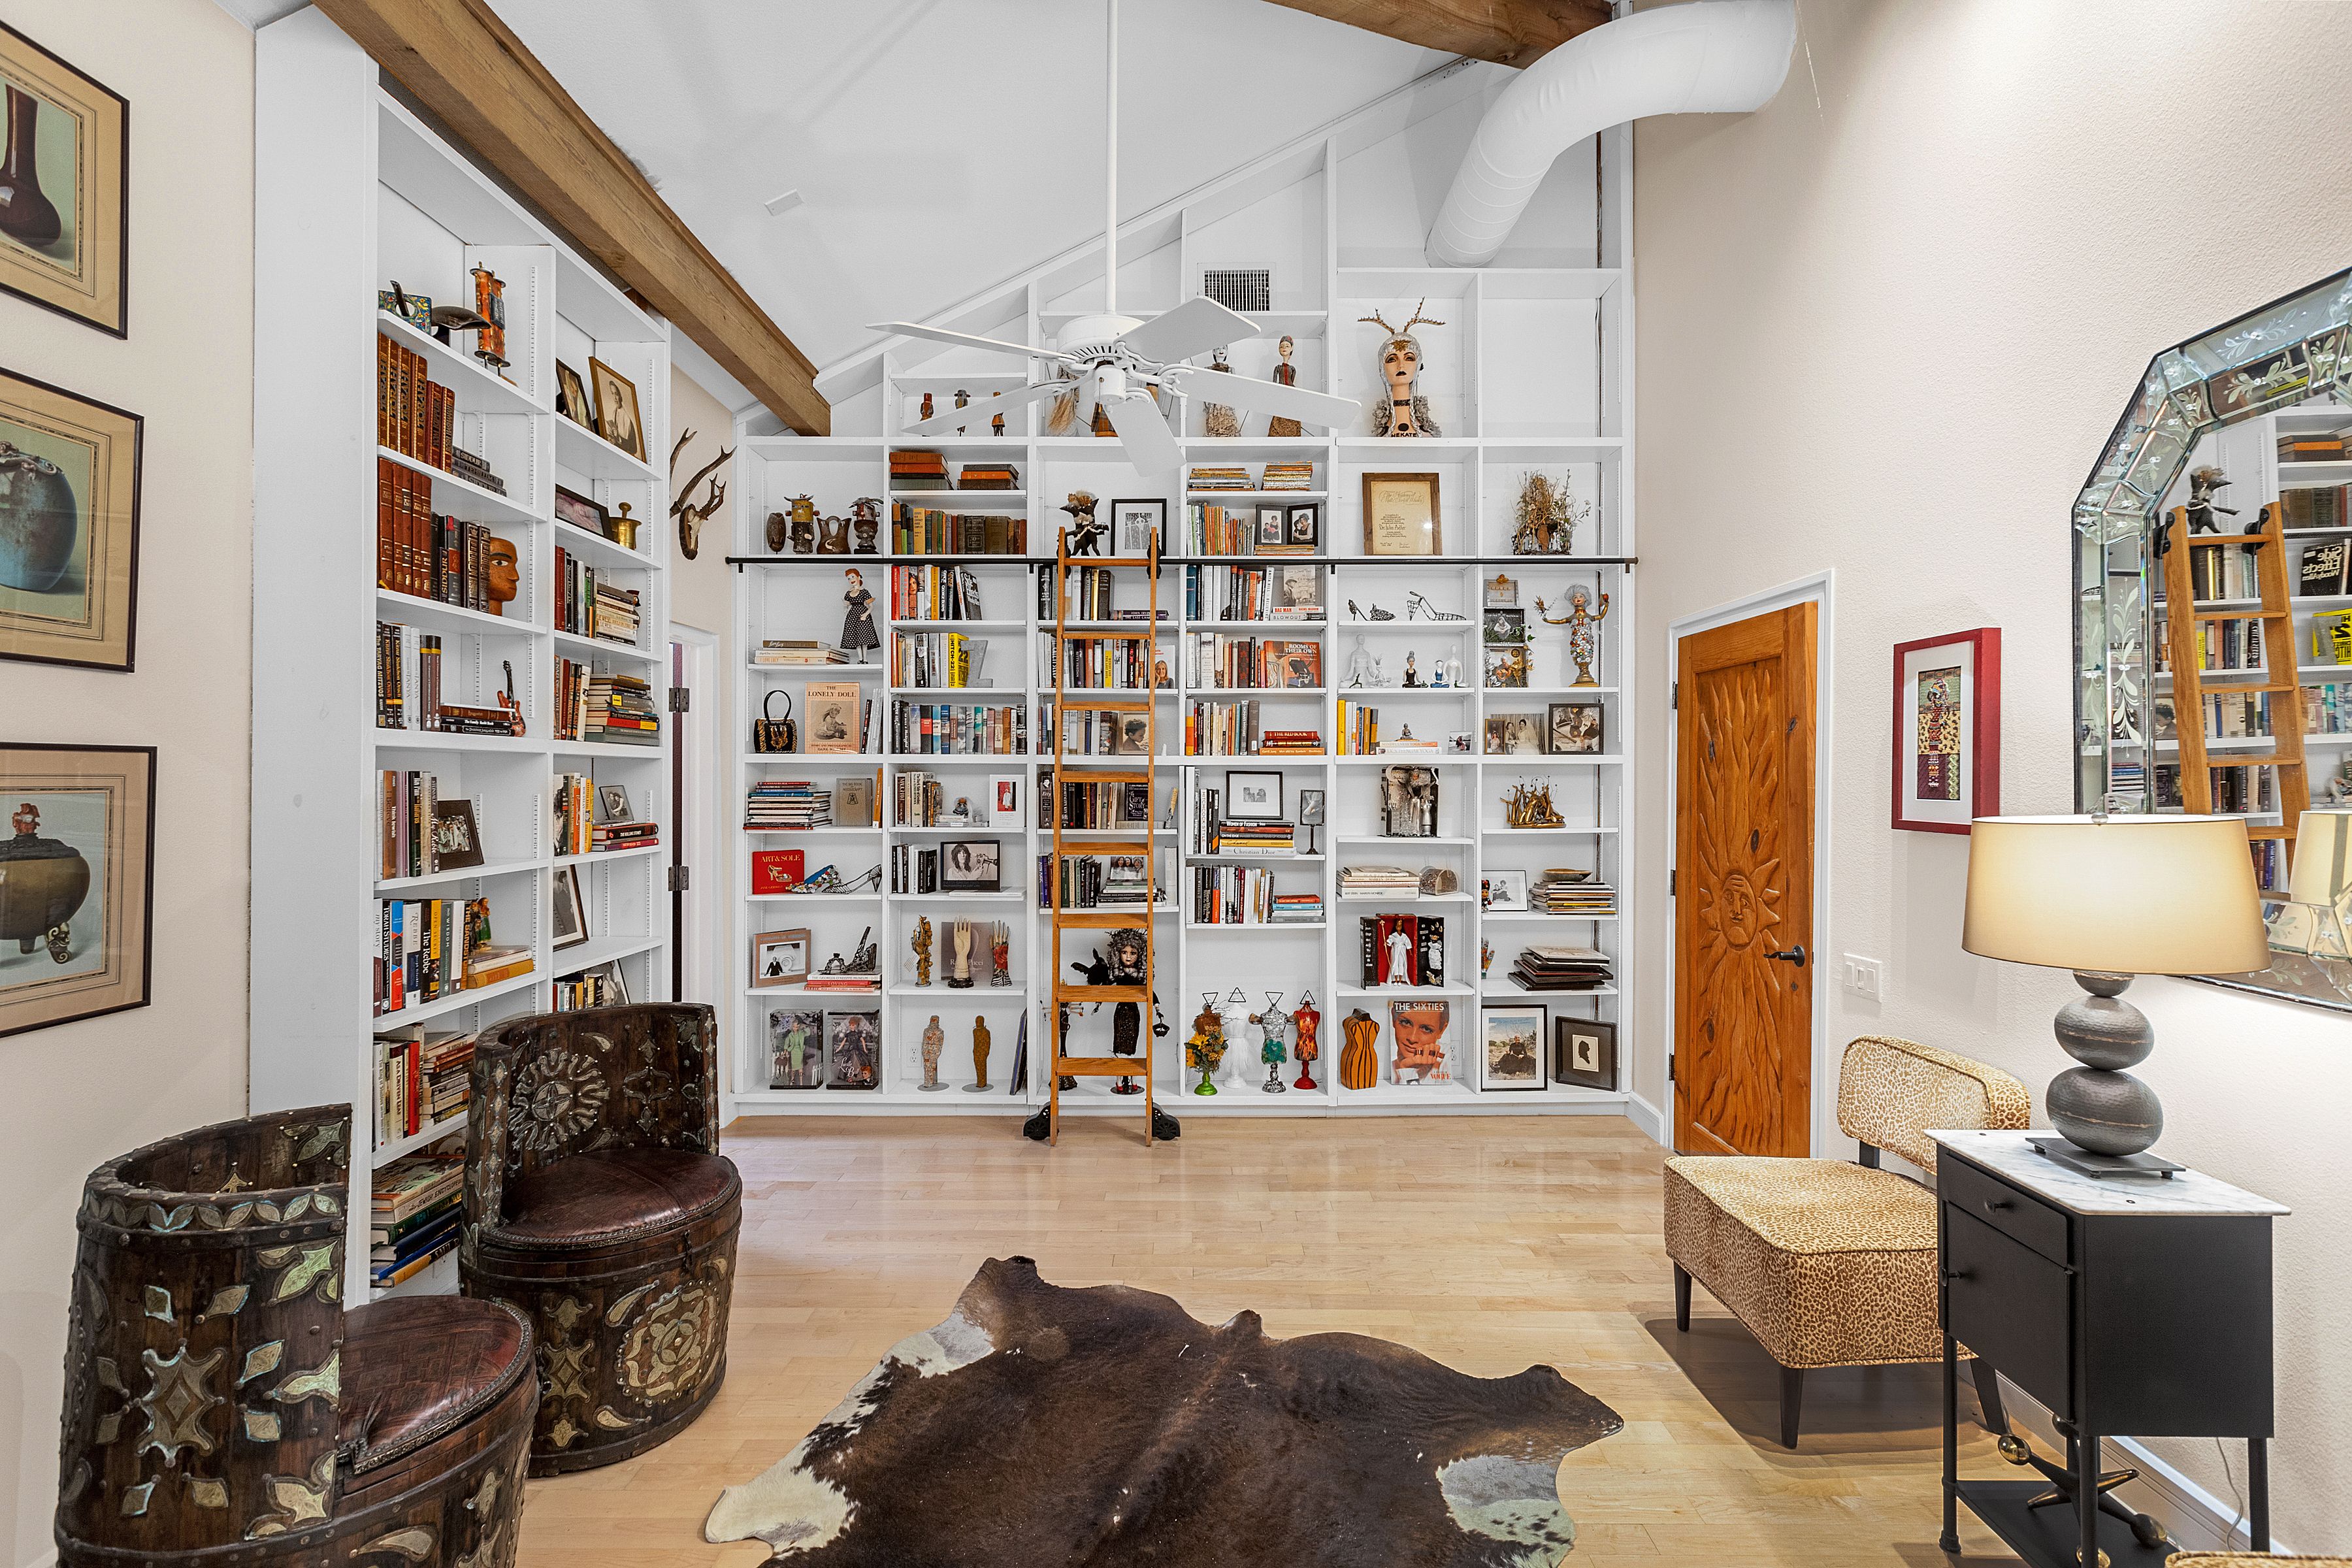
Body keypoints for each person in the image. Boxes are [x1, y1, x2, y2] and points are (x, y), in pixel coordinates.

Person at [1391, 1002, 1448, 1083]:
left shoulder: (1446, 1060)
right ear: (1394, 1018)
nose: (1412, 1038)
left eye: (1426, 1029)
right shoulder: (1385, 1071)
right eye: (1406, 1023)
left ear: (1441, 1030)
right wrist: (1407, 1069)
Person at [840, 568, 879, 661]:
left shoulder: (864, 592)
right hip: (853, 617)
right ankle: (860, 658)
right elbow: (847, 604)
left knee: (863, 638)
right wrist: (845, 609)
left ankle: (865, 659)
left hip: (862, 617)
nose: (851, 580)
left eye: (853, 577)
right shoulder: (849, 593)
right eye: (849, 578)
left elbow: (871, 607)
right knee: (856, 639)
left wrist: (866, 614)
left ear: (858, 577)